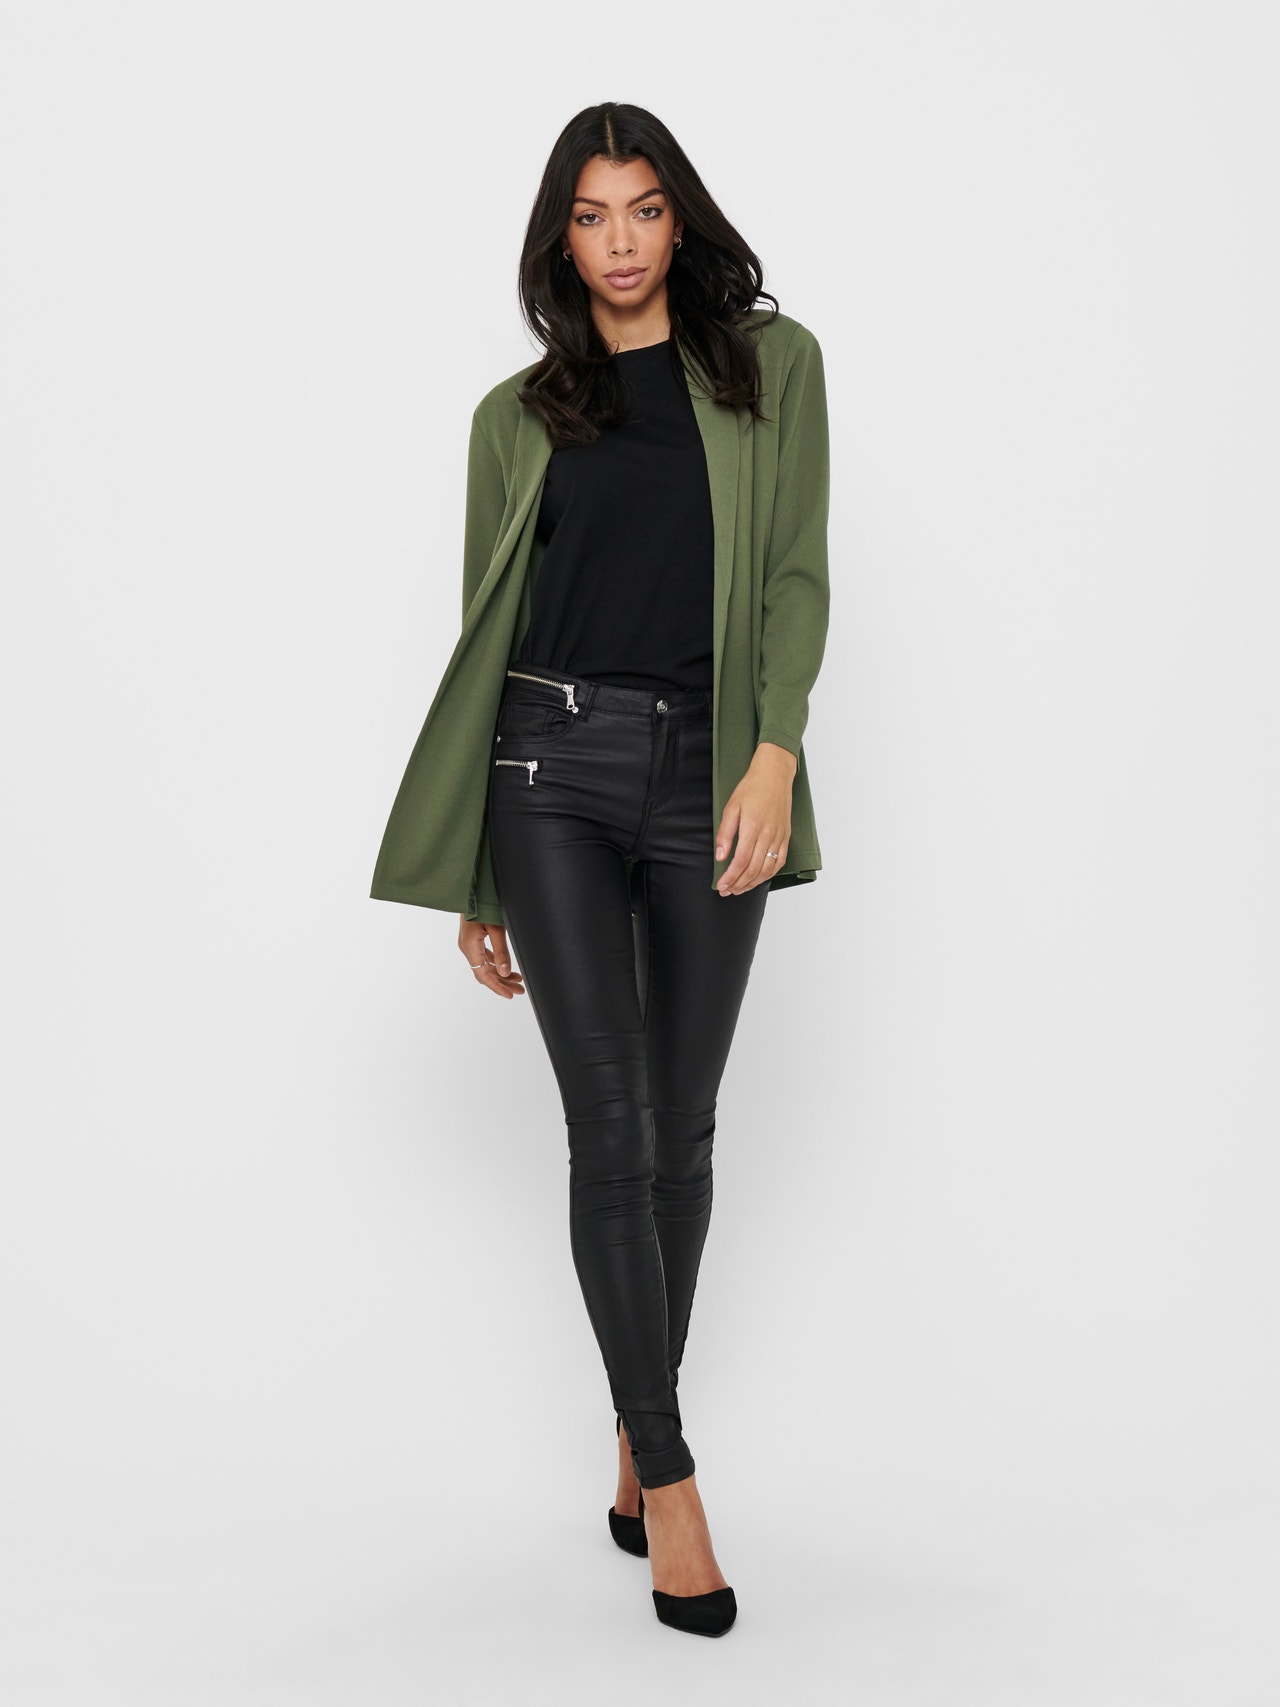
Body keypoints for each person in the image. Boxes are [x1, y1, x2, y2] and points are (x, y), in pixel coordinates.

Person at [370, 101, 830, 1638]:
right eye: (590, 215)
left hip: (713, 772)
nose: (620, 241)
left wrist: (774, 752)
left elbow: (794, 576)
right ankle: (675, 1477)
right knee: (612, 1128)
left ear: (678, 220)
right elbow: (483, 634)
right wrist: (478, 878)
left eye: (643, 209)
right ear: (558, 239)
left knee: (685, 1131)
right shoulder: (515, 418)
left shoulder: (772, 370)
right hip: (547, 776)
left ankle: (635, 1426)